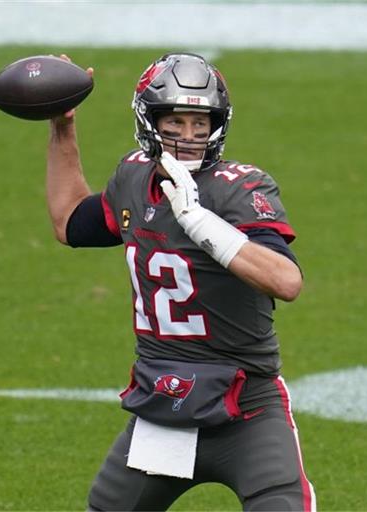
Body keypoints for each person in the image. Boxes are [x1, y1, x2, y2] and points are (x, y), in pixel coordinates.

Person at [45, 52, 316, 511]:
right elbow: (69, 221)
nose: (189, 136)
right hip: (164, 403)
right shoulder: (133, 177)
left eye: (200, 122)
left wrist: (200, 222)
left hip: (246, 406)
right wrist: (62, 127)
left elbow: (286, 281)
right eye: (175, 121)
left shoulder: (238, 187)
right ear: (150, 120)